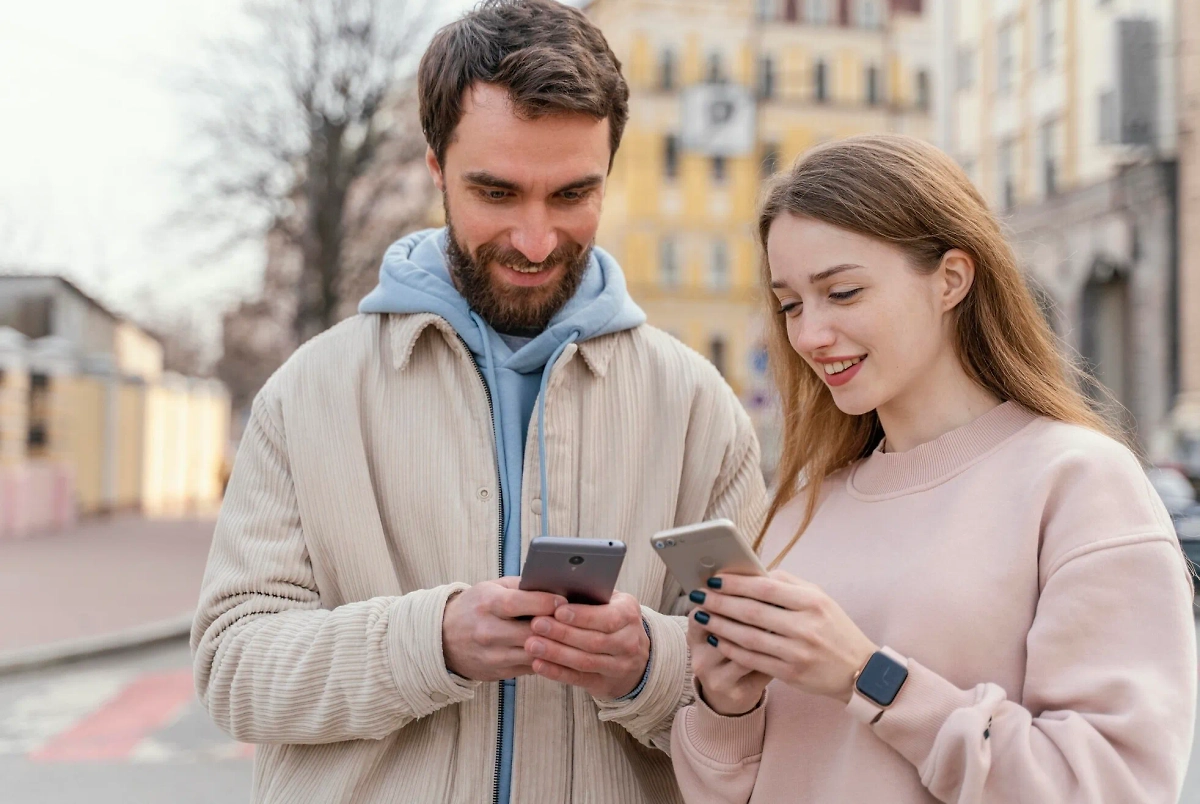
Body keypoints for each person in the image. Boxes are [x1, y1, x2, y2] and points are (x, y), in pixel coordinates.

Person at [190, 2, 767, 802]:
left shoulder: (698, 406)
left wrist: (649, 666)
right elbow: (232, 669)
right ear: (436, 167)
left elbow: (757, 698)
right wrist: (431, 642)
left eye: (573, 195)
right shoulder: (308, 393)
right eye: (496, 193)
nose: (535, 240)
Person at [671, 134, 1197, 803]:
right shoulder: (802, 505)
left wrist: (864, 676)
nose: (808, 335)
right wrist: (726, 707)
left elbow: (1109, 787)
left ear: (951, 278)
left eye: (843, 291)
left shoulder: (1078, 482)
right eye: (791, 304)